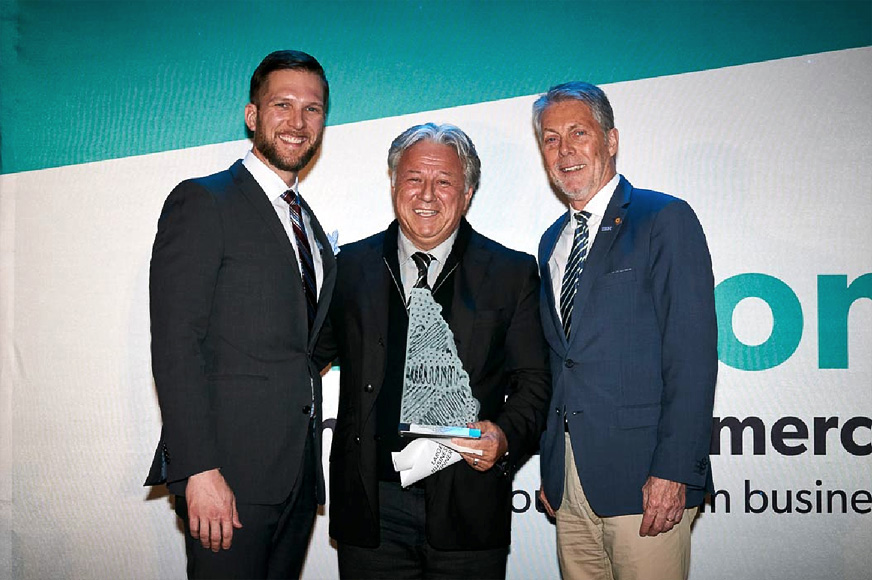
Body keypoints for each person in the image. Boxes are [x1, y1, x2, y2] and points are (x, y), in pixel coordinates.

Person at [313, 123, 551, 579]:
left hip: (469, 508)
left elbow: (536, 384)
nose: (426, 194)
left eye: (444, 182)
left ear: (468, 192)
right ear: (394, 184)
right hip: (371, 510)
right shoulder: (349, 269)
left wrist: (503, 437)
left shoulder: (512, 274)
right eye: (413, 179)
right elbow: (303, 358)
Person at [145, 50, 336, 579]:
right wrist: (199, 469)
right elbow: (176, 344)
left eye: (313, 109)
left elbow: (305, 345)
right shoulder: (205, 201)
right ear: (253, 115)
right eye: (283, 105)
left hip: (295, 477)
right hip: (226, 476)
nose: (298, 123)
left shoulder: (310, 226)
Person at [534, 82, 717, 580]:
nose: (565, 150)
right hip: (572, 489)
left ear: (610, 140)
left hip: (646, 482)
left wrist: (675, 470)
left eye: (579, 132)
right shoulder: (552, 241)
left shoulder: (664, 219)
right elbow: (561, 363)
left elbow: (692, 356)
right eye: (551, 139)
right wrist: (555, 467)